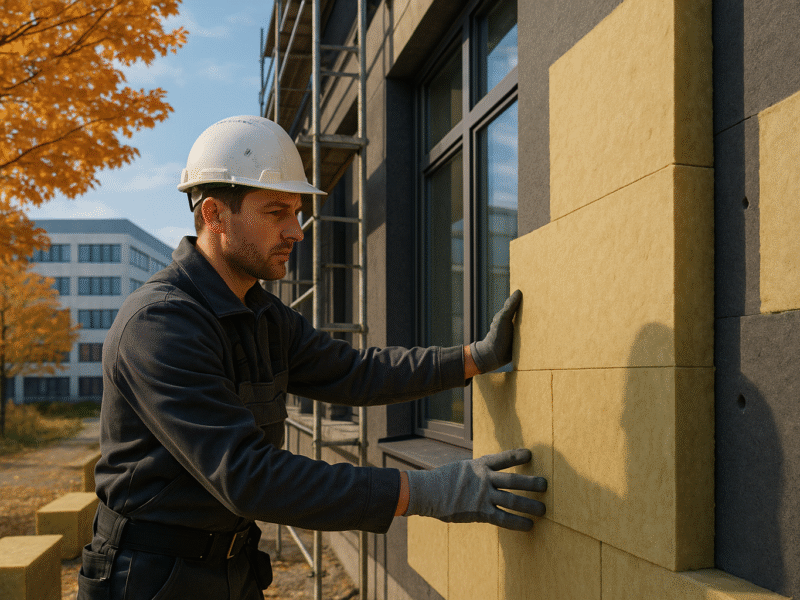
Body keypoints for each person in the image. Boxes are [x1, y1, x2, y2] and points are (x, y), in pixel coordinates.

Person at [77, 115, 547, 600]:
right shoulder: (160, 325)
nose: (296, 231)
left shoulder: (258, 313)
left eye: (296, 212)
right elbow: (249, 476)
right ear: (215, 215)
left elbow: (354, 373)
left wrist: (475, 357)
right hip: (149, 579)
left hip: (230, 569)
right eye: (276, 211)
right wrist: (426, 492)